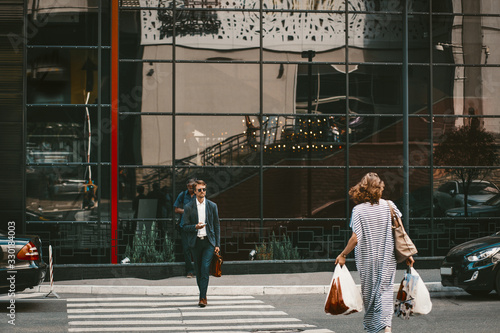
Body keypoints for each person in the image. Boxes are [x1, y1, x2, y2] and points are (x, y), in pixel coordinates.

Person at [335, 173, 414, 333]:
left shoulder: (358, 210)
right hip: (387, 258)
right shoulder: (390, 205)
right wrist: (408, 254)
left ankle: (377, 328)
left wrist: (343, 255)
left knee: (370, 295)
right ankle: (385, 326)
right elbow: (401, 230)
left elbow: (355, 238)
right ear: (380, 188)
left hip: (367, 260)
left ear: (362, 189)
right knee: (384, 291)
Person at [182, 180, 220, 307]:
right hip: (195, 243)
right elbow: (184, 226)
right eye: (199, 190)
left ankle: (203, 297)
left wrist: (217, 244)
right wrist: (195, 227)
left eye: (204, 189)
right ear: (194, 191)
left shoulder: (212, 206)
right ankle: (202, 293)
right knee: (198, 270)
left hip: (208, 242)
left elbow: (216, 226)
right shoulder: (188, 207)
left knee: (204, 268)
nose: (202, 192)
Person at [174, 178, 197, 278]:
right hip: (184, 226)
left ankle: (198, 270)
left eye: (192, 186)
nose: (190, 188)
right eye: (189, 186)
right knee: (186, 249)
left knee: (196, 249)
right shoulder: (183, 195)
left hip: (196, 226)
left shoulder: (199, 195)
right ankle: (190, 271)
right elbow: (176, 209)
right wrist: (185, 211)